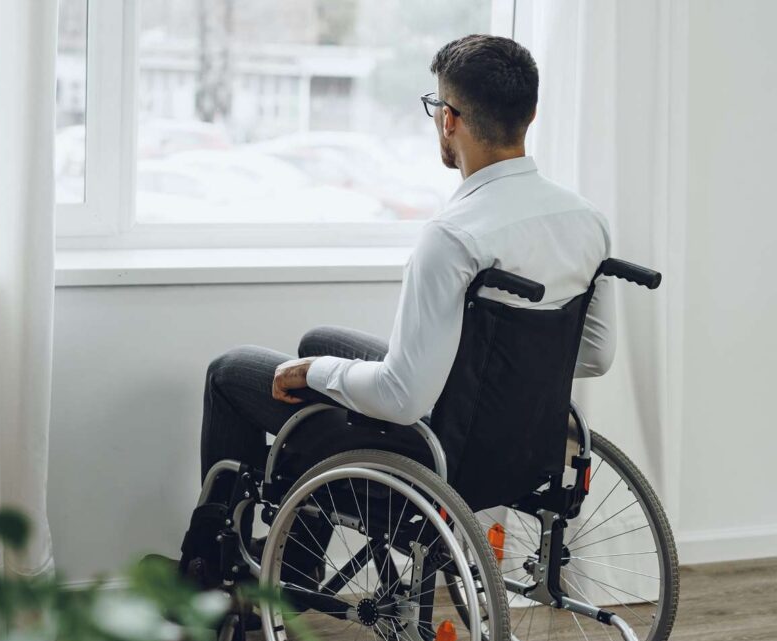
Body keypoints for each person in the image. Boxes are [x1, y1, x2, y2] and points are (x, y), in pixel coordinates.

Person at [200, 34, 615, 502]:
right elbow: (596, 356)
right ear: (530, 114)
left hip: (441, 456)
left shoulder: (454, 235)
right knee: (321, 339)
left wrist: (314, 372)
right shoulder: (586, 220)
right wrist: (491, 371)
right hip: (516, 444)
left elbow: (404, 398)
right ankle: (296, 564)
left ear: (449, 119)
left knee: (230, 370)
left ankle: (208, 559)